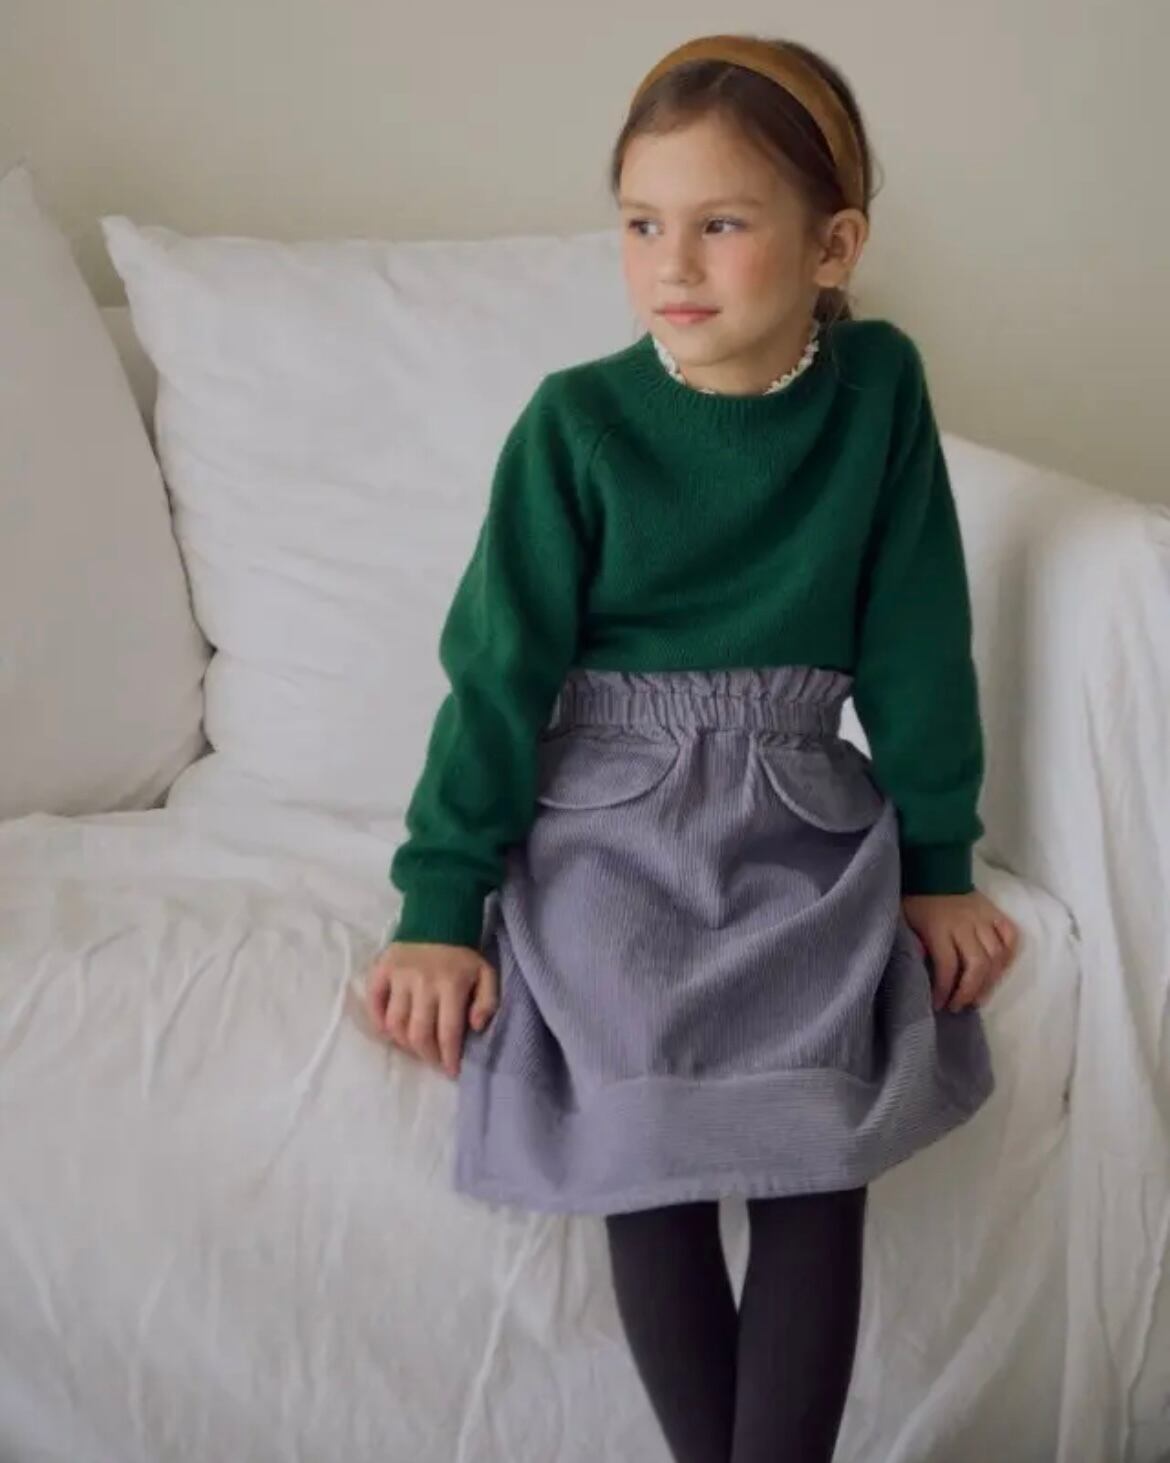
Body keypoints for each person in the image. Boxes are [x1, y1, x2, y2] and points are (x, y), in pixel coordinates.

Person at [366, 32, 1020, 1463]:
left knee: (818, 1161)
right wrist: (437, 909)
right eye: (640, 224)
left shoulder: (878, 393)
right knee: (647, 1159)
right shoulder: (578, 423)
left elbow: (918, 636)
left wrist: (935, 865)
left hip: (800, 809)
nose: (673, 264)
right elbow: (495, 675)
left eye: (721, 224)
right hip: (610, 822)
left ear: (832, 245)